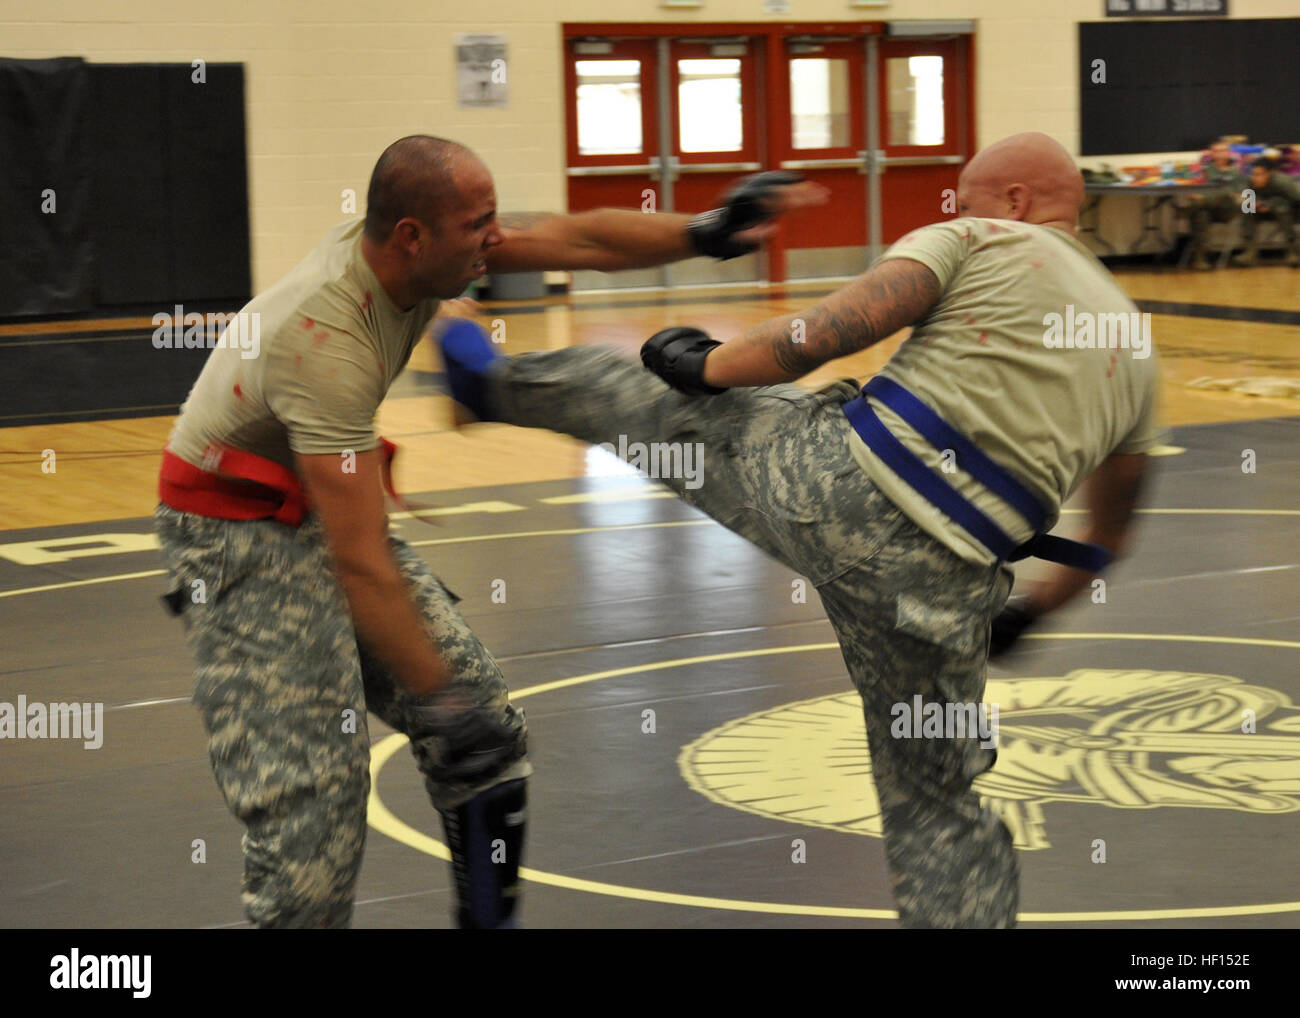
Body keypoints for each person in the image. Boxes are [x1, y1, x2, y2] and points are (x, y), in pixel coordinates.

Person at [436, 132, 1165, 929]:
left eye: (968, 193)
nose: (957, 207)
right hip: (947, 585)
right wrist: (1033, 611)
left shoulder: (979, 237)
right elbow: (1110, 533)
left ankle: (487, 379)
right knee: (938, 803)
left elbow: (821, 335)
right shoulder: (1133, 344)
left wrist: (708, 364)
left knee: (654, 401)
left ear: (1017, 202)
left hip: (843, 491)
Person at [153, 134, 821, 929]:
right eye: (479, 226)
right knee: (312, 835)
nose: (495, 241)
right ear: (411, 236)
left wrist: (707, 230)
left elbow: (579, 238)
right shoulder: (324, 339)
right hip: (238, 534)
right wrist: (436, 697)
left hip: (325, 499)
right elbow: (360, 561)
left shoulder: (424, 252)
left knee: (488, 740)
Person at [1185, 139, 1247, 270]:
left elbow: (1246, 196)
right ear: (1212, 154)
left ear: (1229, 153)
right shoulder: (1205, 170)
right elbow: (1192, 191)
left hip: (1227, 210)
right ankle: (1200, 259)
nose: (1220, 154)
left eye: (1223, 151)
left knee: (1222, 197)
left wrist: (1237, 197)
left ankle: (1193, 209)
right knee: (1201, 215)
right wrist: (1195, 196)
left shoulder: (1236, 171)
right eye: (1216, 151)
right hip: (1208, 210)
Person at [1232, 156, 1300, 267]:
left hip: (1285, 212)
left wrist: (1271, 205)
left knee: (1281, 207)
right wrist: (1255, 202)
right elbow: (1242, 196)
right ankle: (1250, 252)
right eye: (1254, 174)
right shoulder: (1250, 181)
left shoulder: (1283, 182)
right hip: (1261, 211)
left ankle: (1293, 252)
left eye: (1260, 174)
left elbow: (1296, 201)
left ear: (1270, 173)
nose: (1256, 178)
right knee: (1246, 208)